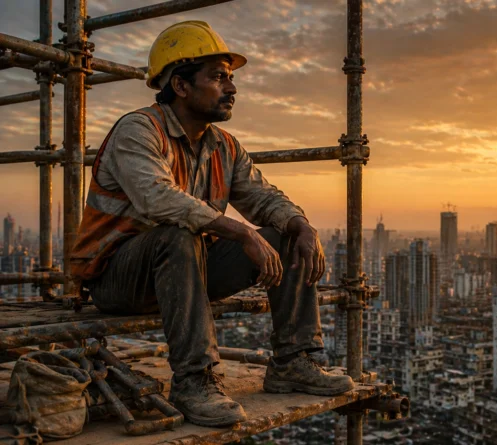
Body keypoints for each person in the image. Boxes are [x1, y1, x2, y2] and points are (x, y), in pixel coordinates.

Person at [69, 21, 354, 427]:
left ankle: (294, 360)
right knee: (175, 235)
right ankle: (195, 380)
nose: (232, 87)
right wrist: (240, 232)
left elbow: (262, 196)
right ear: (181, 86)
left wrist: (299, 224)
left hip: (186, 274)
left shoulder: (223, 145)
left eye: (231, 78)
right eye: (219, 77)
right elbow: (157, 199)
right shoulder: (138, 130)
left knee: (287, 235)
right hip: (119, 277)